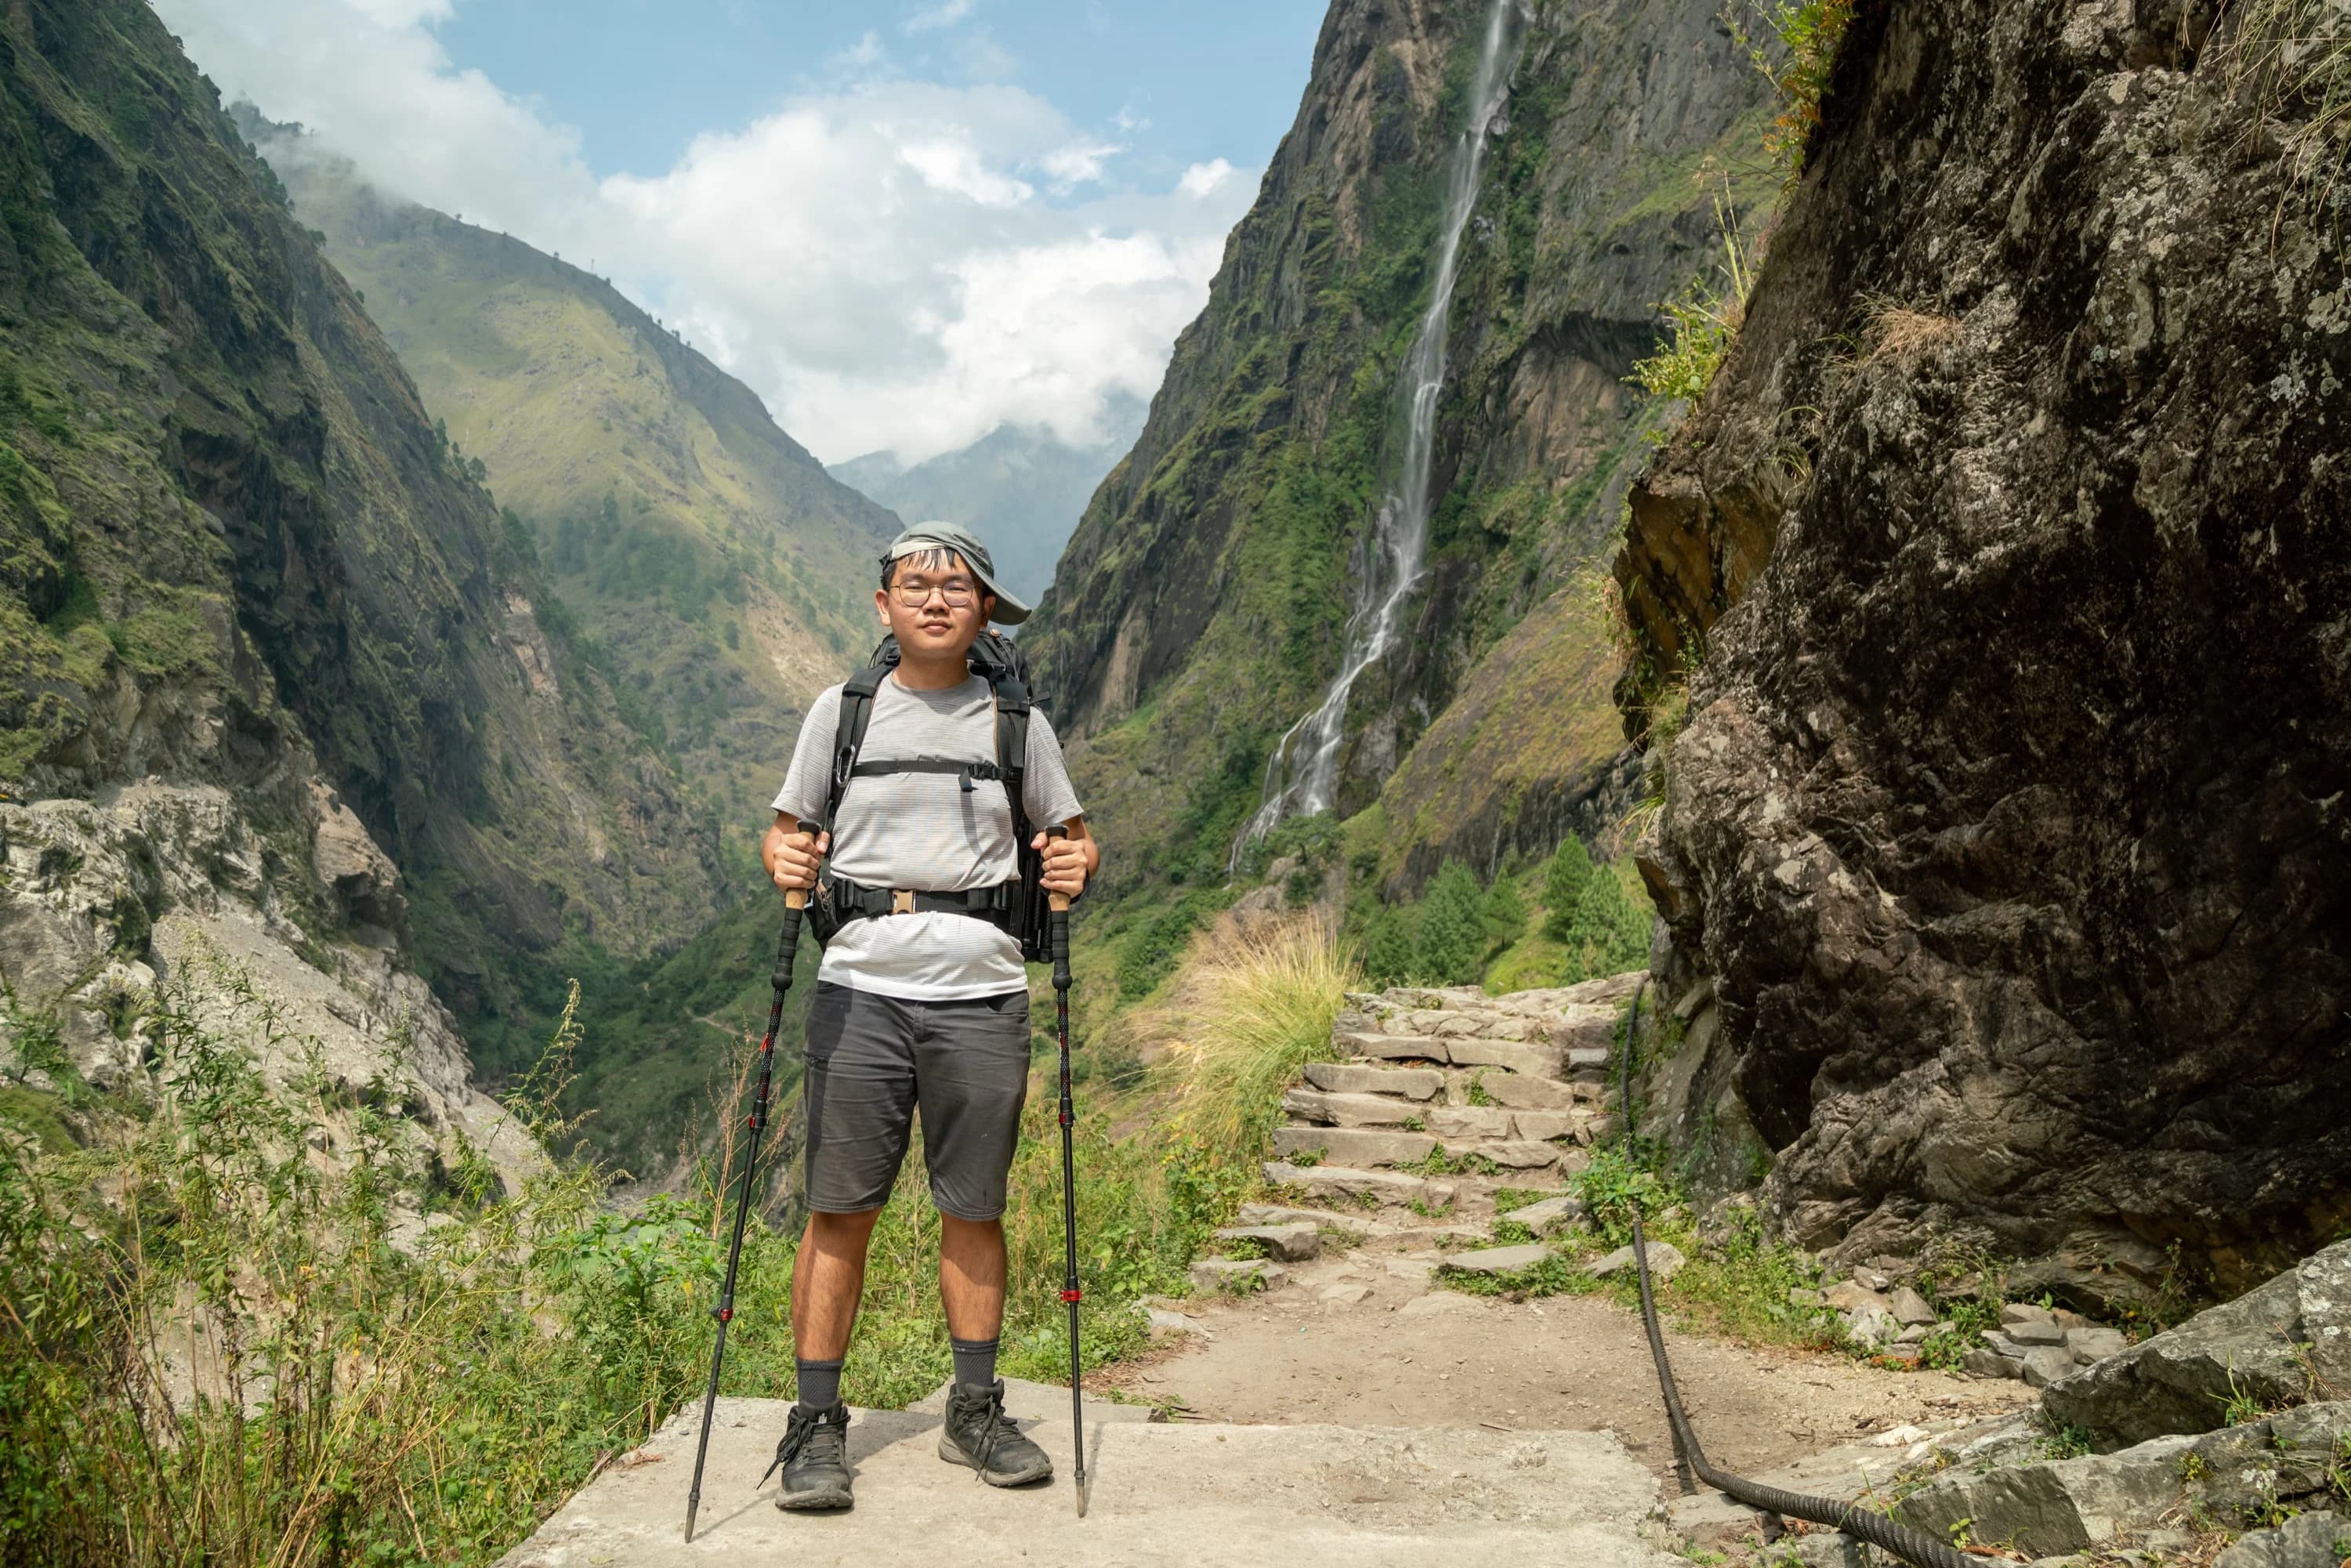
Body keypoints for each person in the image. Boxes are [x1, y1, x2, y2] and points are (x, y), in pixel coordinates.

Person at [758, 522, 1099, 1511]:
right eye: (917, 584)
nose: (937, 599)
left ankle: (975, 1409)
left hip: (984, 996)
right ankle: (816, 1424)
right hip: (861, 989)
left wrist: (1077, 864)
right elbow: (788, 835)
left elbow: (1071, 842)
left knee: (974, 1209)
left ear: (986, 608)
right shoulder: (844, 712)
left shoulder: (1017, 722)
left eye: (958, 587)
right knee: (838, 1208)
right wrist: (781, 859)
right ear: (885, 605)